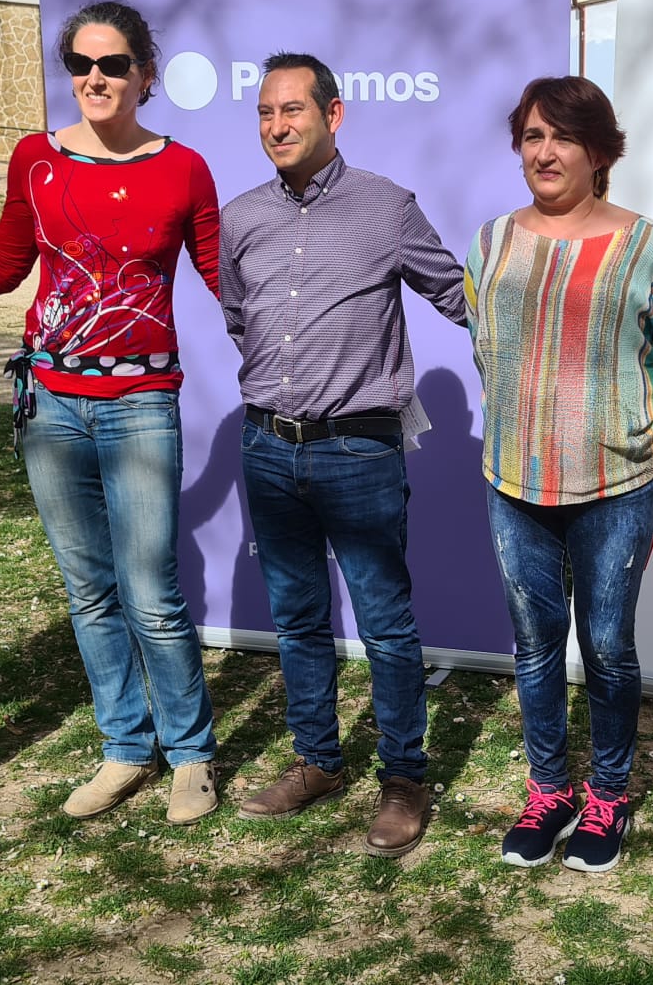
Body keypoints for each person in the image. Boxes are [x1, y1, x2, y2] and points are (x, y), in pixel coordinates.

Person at [0, 1, 224, 825]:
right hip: (50, 401)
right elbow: (2, 268)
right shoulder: (35, 158)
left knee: (152, 591)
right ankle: (122, 748)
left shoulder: (185, 168)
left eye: (112, 65)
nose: (95, 79)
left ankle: (190, 756)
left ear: (146, 72)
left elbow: (222, 280)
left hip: (142, 398)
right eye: (80, 64)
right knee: (89, 588)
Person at [221, 53, 467, 858]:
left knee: (387, 625)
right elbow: (238, 318)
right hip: (267, 445)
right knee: (297, 617)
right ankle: (318, 762)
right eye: (265, 113)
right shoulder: (243, 216)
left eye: (292, 110)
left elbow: (458, 295)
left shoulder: (388, 207)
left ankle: (403, 778)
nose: (277, 126)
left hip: (359, 451)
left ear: (334, 114)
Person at [464, 77, 653, 874]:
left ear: (600, 152)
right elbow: (484, 342)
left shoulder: (646, 246)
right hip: (514, 479)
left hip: (615, 479)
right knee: (534, 649)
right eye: (532, 135)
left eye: (563, 136)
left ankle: (607, 795)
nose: (545, 151)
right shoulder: (492, 241)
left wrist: (627, 418)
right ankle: (548, 791)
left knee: (606, 646)